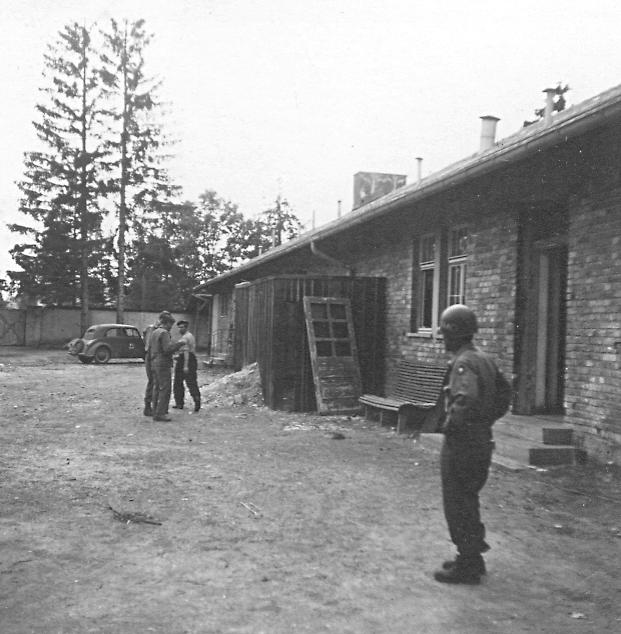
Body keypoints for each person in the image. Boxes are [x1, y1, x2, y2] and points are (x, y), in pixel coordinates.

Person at [434, 304, 511, 584]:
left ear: (455, 334)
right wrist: (486, 421)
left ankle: (467, 564)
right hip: (480, 439)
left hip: (463, 443)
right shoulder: (484, 359)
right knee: (468, 498)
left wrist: (451, 428)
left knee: (457, 501)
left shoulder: (464, 362)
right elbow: (504, 395)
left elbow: (464, 400)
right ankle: (472, 558)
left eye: (445, 333)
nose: (443, 338)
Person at [149, 312, 184, 422]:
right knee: (165, 388)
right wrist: (179, 344)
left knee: (156, 387)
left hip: (154, 362)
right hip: (163, 363)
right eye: (170, 325)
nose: (171, 327)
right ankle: (161, 413)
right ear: (167, 323)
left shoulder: (154, 332)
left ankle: (155, 411)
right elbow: (167, 349)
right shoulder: (164, 333)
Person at [172, 320, 201, 413]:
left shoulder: (187, 337)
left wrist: (185, 365)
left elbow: (186, 352)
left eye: (182, 327)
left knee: (190, 382)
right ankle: (179, 403)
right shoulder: (186, 336)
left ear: (186, 328)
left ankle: (196, 402)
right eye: (179, 327)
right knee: (178, 382)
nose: (180, 329)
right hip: (184, 359)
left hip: (188, 360)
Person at [142, 315, 167, 417]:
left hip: (150, 355)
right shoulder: (155, 329)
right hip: (151, 356)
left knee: (154, 381)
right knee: (153, 381)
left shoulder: (150, 328)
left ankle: (154, 407)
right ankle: (149, 407)